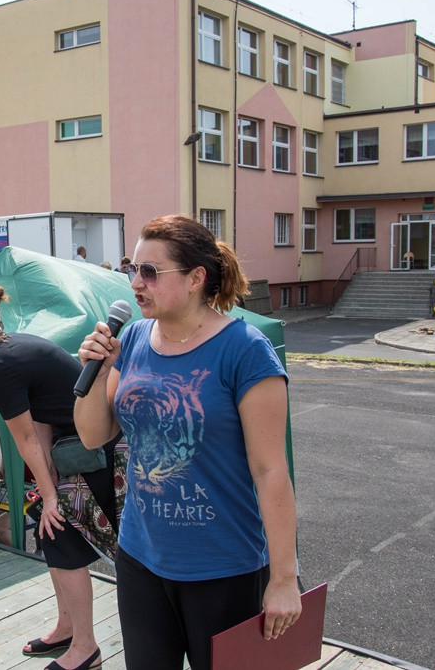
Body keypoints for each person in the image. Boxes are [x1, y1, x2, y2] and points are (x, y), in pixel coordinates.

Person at [73, 214, 301, 670]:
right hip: (140, 555)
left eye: (150, 272)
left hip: (223, 567)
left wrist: (283, 577)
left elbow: (270, 470)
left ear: (197, 278)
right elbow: (94, 434)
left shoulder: (245, 350)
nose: (135, 283)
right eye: (131, 268)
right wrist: (95, 371)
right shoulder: (134, 336)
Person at [0, 287, 119, 670]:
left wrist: (52, 496)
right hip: (84, 444)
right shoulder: (7, 349)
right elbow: (35, 417)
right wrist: (47, 487)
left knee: (58, 533)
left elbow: (25, 438)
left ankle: (86, 647)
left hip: (98, 452)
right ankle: (68, 628)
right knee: (48, 529)